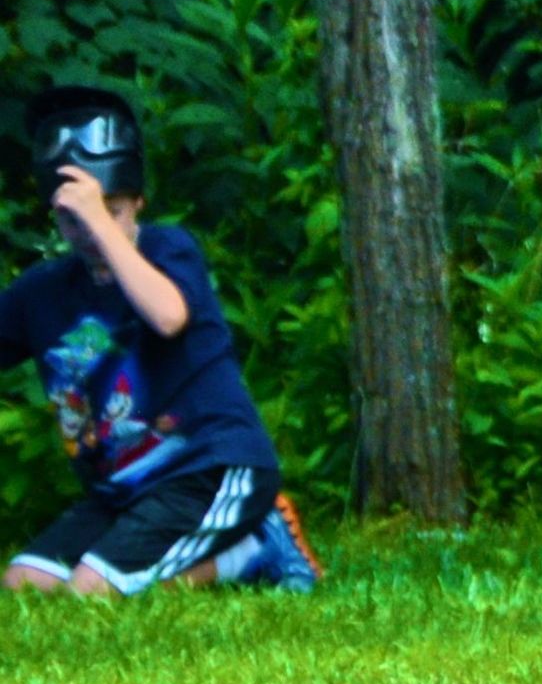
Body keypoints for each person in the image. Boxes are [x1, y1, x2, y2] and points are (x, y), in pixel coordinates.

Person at [1, 85, 318, 598]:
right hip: (124, 489)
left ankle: (255, 546)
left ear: (138, 204)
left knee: (91, 594)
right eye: (73, 217)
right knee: (23, 584)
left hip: (209, 468)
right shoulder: (43, 292)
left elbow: (169, 316)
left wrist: (103, 227)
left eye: (110, 209)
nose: (89, 228)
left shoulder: (169, 249)